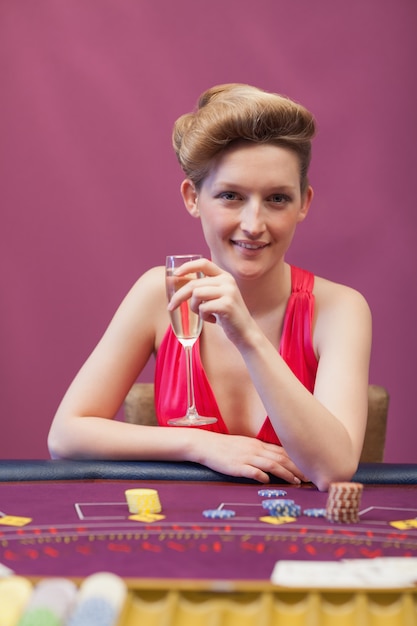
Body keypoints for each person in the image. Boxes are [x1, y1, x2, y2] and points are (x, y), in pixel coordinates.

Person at [48, 83, 372, 491]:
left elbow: (333, 468)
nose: (254, 225)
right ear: (193, 197)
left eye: (276, 199)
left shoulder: (340, 309)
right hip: (186, 534)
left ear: (303, 203)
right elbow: (65, 436)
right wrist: (201, 445)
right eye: (231, 196)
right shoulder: (160, 293)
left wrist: (247, 335)